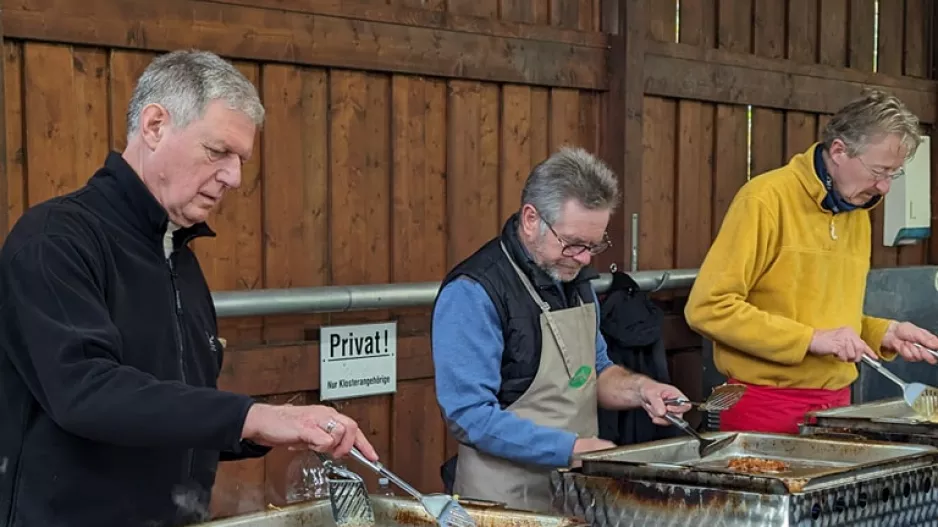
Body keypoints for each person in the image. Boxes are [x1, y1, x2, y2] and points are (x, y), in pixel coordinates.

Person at [0, 50, 377, 527]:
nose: (234, 178)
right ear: (155, 126)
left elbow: (174, 411)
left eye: (240, 160)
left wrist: (268, 429)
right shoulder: (54, 240)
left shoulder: (179, 258)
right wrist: (251, 417)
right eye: (218, 151)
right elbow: (85, 391)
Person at [431, 146, 691, 513]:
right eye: (573, 244)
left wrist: (643, 390)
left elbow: (595, 371)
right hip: (504, 503)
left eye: (594, 245)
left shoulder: (574, 278)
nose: (584, 258)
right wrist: (570, 449)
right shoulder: (473, 292)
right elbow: (469, 416)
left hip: (575, 494)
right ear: (531, 219)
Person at [684, 89, 938, 435]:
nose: (884, 187)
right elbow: (708, 308)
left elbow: (827, 322)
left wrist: (884, 332)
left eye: (894, 174)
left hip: (837, 408)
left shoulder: (857, 212)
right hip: (763, 406)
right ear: (839, 151)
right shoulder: (764, 200)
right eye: (879, 171)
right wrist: (810, 339)